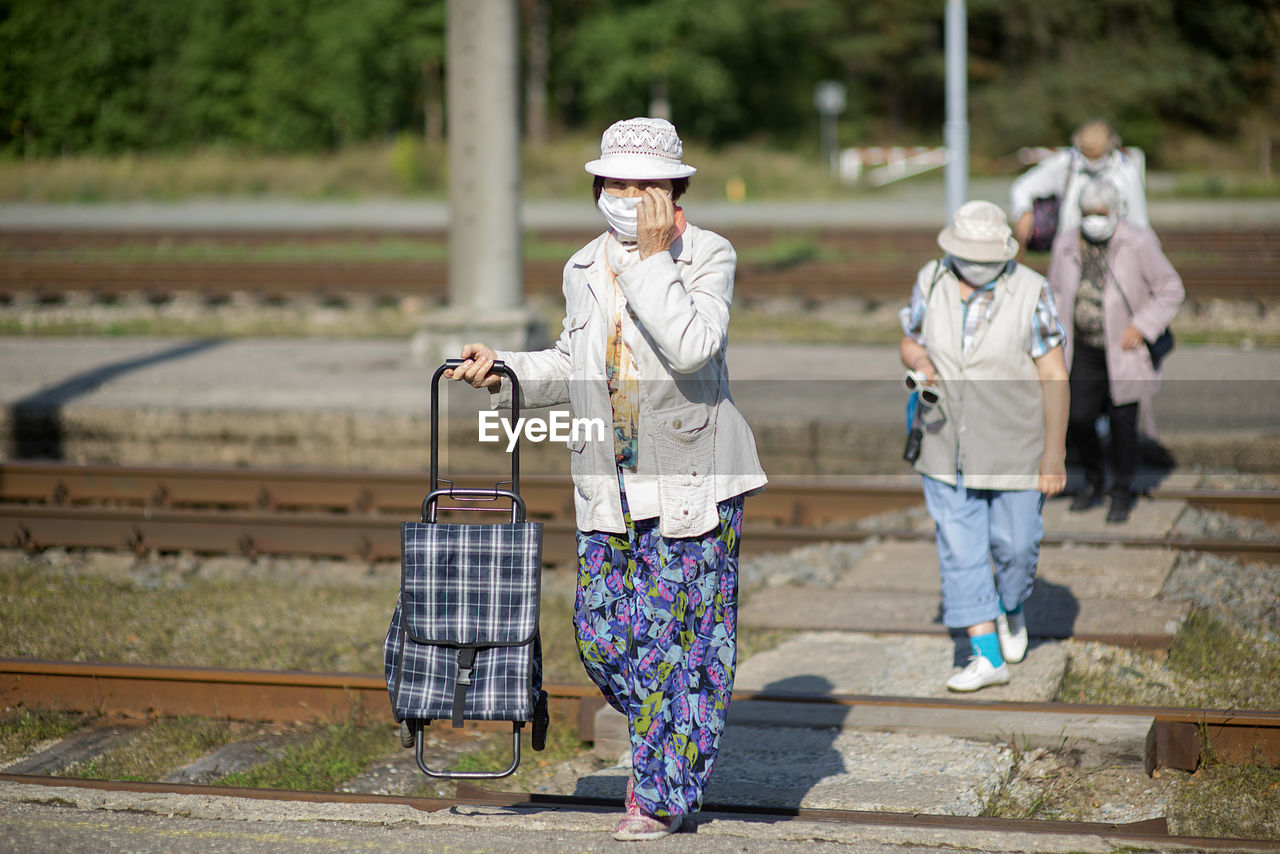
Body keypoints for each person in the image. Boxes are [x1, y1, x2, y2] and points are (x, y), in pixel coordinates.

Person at [446, 117, 767, 841]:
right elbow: (572, 363)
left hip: (694, 483)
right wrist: (506, 370)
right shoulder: (584, 266)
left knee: (681, 645)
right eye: (615, 183)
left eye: (645, 184)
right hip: (607, 486)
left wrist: (653, 259)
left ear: (674, 190)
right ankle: (672, 735)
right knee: (600, 635)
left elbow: (690, 348)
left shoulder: (706, 254)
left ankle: (657, 794)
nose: (627, 196)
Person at [899, 200, 1069, 692]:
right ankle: (986, 655)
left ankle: (1010, 605)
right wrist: (921, 361)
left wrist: (1054, 453)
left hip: (1015, 443)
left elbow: (1054, 374)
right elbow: (909, 338)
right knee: (960, 549)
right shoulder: (931, 278)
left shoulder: (1032, 290)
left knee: (1016, 547)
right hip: (942, 441)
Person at [1047, 179, 1185, 523]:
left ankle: (1122, 491)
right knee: (1077, 416)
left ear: (1115, 212)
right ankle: (1094, 482)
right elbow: (1054, 291)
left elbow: (1170, 287)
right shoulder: (1066, 242)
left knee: (1124, 422)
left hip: (1123, 347)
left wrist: (1142, 325)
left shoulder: (1137, 240)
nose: (1094, 219)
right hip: (1081, 346)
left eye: (1101, 213)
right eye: (1088, 213)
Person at [1010, 119, 1149, 251]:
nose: (1091, 161)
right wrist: (1025, 211)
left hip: (1116, 248)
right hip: (1071, 248)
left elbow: (1138, 219)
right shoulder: (1067, 162)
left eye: (1097, 155)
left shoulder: (1126, 170)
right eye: (1087, 154)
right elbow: (1022, 187)